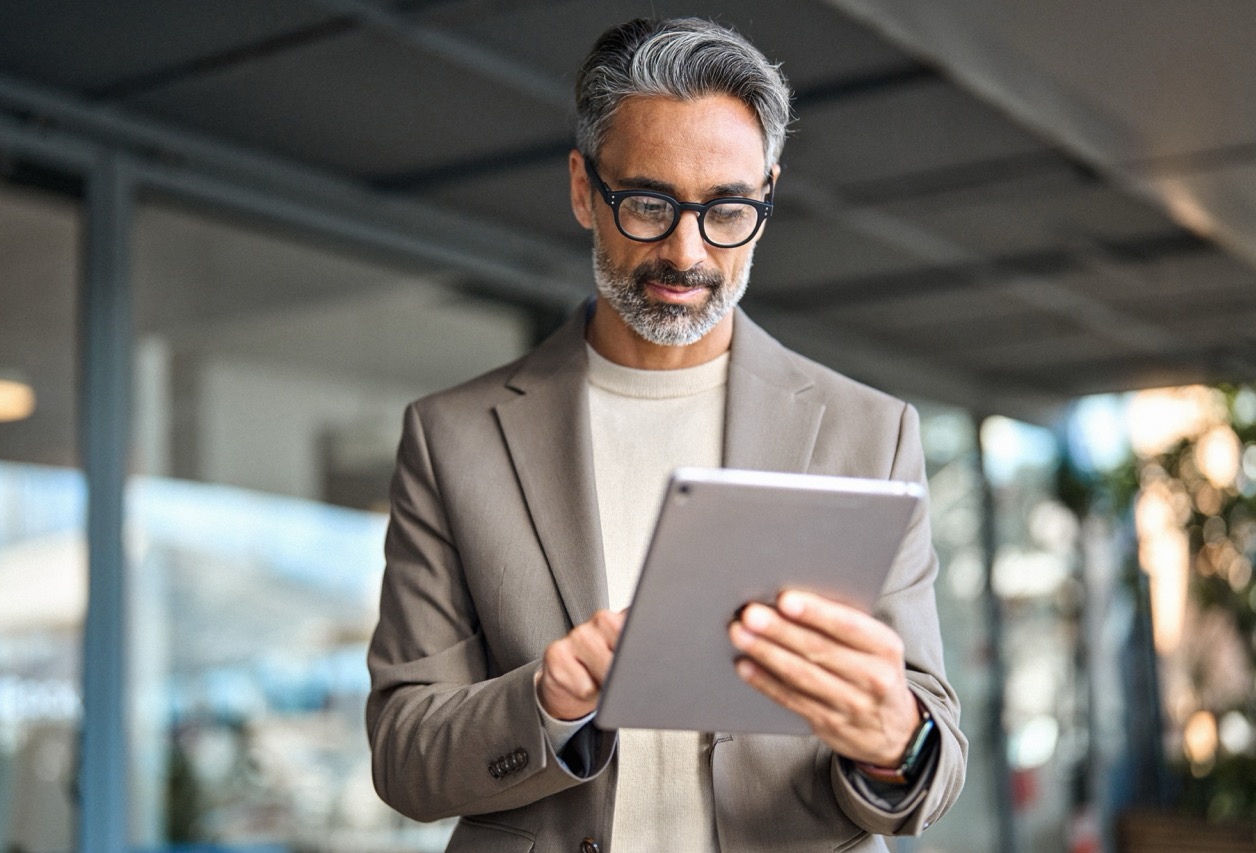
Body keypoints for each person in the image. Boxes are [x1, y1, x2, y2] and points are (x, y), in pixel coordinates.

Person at [367, 16, 967, 852]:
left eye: (728, 208)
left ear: (767, 195)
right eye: (648, 203)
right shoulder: (451, 439)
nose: (687, 251)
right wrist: (545, 700)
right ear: (583, 188)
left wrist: (897, 738)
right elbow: (402, 752)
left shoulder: (872, 432)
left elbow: (931, 753)